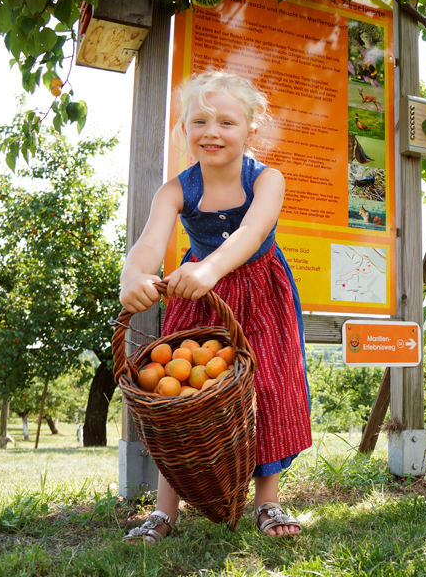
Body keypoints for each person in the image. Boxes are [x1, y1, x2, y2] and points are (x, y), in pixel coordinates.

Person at [119, 71, 312, 541]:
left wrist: (211, 269)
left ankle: (267, 502)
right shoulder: (176, 190)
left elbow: (251, 232)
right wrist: (132, 277)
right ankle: (165, 511)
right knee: (179, 394)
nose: (212, 131)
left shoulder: (267, 179)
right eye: (199, 120)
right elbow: (148, 245)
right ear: (185, 129)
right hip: (199, 297)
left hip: (261, 291)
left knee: (265, 385)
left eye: (226, 122)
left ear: (250, 129)